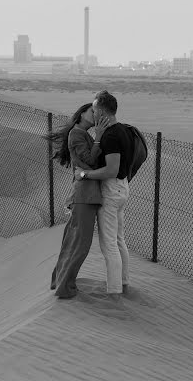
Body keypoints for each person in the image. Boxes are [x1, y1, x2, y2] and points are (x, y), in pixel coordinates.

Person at [74, 90, 133, 299]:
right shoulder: (122, 130)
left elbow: (111, 170)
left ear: (101, 110)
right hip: (122, 188)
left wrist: (85, 174)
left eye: (94, 108)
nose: (93, 112)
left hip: (112, 190)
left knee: (109, 244)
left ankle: (115, 293)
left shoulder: (111, 135)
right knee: (118, 240)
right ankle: (123, 284)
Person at [48, 102, 109, 298]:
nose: (96, 115)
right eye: (92, 112)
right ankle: (64, 287)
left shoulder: (81, 134)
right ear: (82, 113)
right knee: (80, 244)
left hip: (85, 194)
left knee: (73, 241)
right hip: (85, 195)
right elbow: (91, 161)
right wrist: (99, 137)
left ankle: (60, 280)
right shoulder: (77, 134)